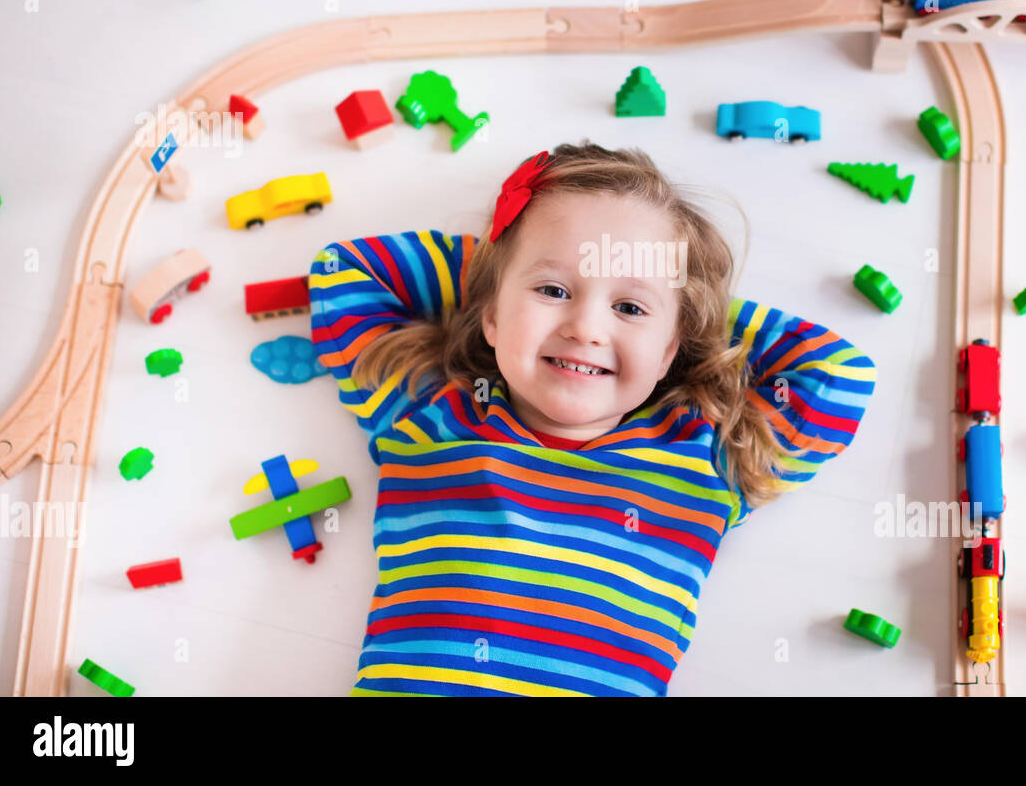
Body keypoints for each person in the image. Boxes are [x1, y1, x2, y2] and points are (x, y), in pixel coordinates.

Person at [309, 142, 876, 695]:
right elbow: (345, 271)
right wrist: (503, 261)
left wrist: (692, 305)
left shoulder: (709, 458)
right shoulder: (431, 415)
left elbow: (839, 373)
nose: (586, 326)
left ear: (669, 349)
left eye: (629, 307)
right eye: (553, 289)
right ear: (491, 318)